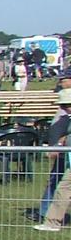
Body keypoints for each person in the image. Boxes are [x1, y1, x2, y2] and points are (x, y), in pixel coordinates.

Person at [30, 89, 71, 222]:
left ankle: (50, 218)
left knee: (62, 187)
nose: (65, 109)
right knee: (60, 186)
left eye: (66, 105)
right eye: (63, 106)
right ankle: (48, 215)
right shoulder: (65, 118)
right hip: (66, 156)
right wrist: (60, 142)